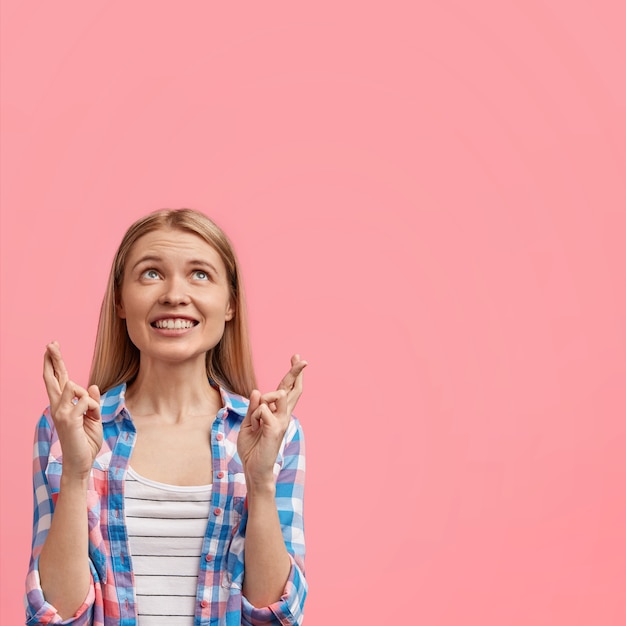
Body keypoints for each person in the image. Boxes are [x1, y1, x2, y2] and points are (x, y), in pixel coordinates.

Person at [25, 209, 308, 626]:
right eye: (151, 274)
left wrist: (260, 481)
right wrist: (74, 472)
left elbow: (275, 619)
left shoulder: (273, 433)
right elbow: (56, 617)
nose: (175, 294)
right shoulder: (67, 426)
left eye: (200, 275)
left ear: (230, 304)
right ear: (120, 301)